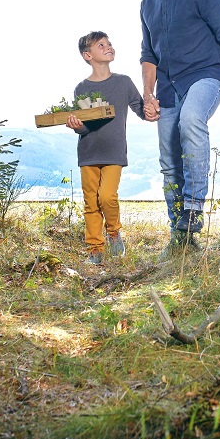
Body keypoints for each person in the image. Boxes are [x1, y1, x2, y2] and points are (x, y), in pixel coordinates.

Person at [120, 0, 220, 255]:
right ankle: (181, 238)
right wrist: (148, 94)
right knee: (168, 159)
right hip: (167, 87)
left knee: (191, 119)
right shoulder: (147, 5)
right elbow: (148, 53)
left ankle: (192, 211)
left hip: (206, 75)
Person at [66, 31, 146, 265]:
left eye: (109, 43)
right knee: (91, 203)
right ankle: (94, 250)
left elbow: (142, 110)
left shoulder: (124, 82)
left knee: (107, 196)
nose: (108, 47)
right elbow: (84, 127)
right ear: (87, 55)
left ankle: (113, 233)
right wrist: (76, 127)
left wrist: (152, 108)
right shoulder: (81, 88)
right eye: (101, 45)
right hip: (88, 153)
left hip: (114, 152)